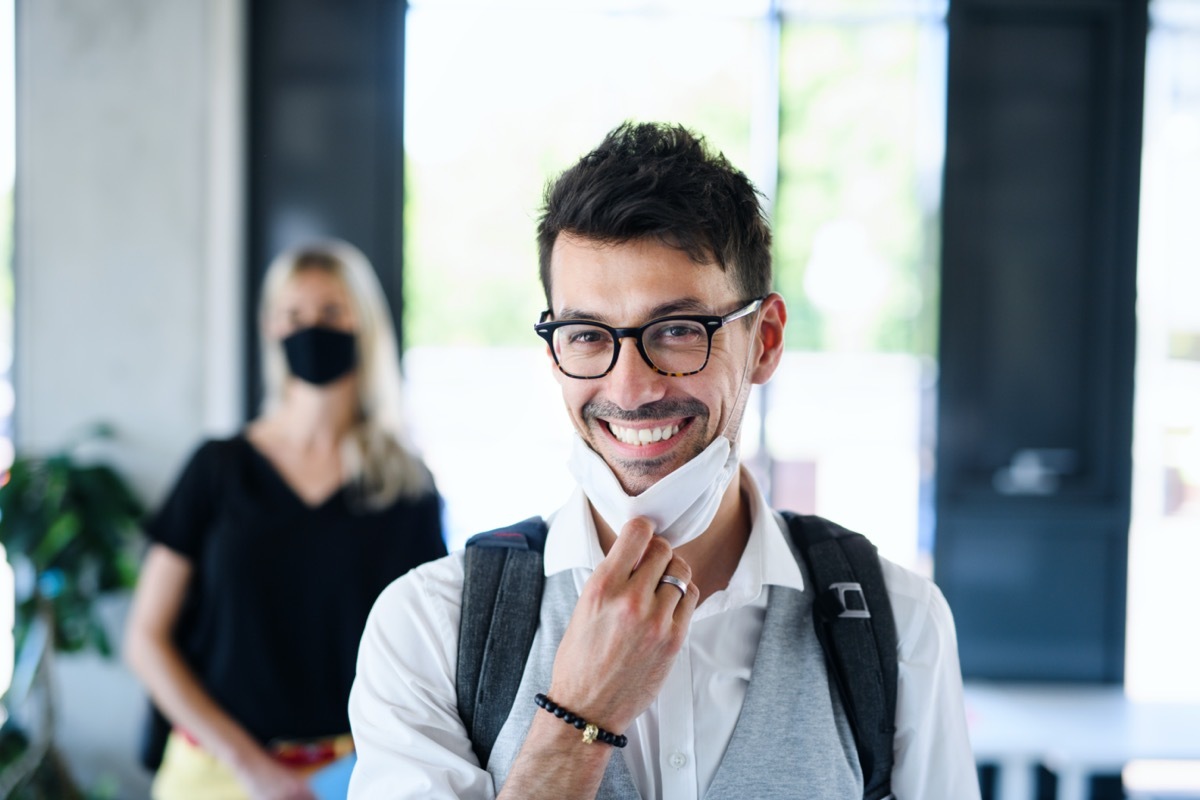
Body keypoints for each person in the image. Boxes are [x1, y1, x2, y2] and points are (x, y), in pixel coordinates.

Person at [347, 122, 980, 799]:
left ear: (763, 341)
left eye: (678, 331)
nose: (629, 388)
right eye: (587, 335)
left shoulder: (899, 627)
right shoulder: (427, 630)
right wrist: (579, 720)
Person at [124, 240, 447, 800]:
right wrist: (250, 766)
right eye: (293, 315)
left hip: (355, 772)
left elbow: (433, 649)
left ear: (363, 326)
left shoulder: (406, 487)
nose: (311, 329)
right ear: (271, 328)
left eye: (330, 313)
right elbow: (146, 639)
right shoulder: (217, 470)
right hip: (215, 770)